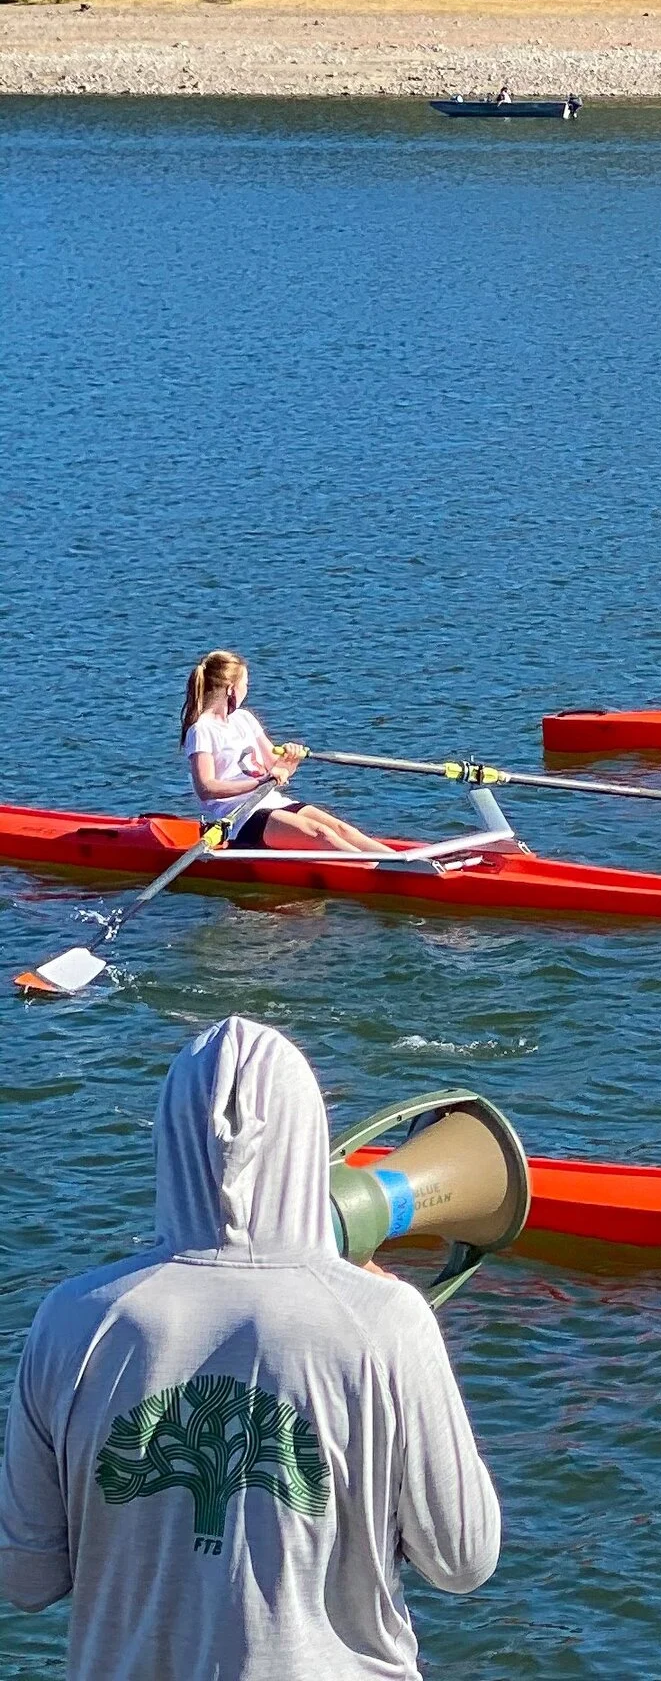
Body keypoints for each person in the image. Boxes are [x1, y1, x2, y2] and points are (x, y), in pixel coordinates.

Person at [0, 1017, 500, 1678]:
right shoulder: (386, 1323)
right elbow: (462, 1560)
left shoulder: (71, 1320)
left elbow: (26, 1578)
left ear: (170, 1139)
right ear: (309, 1138)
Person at [182, 651, 389, 854]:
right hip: (239, 818)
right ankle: (382, 875)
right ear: (230, 689)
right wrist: (260, 782)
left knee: (342, 830)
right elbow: (206, 788)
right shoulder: (201, 730)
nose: (247, 689)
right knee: (321, 834)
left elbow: (278, 769)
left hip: (272, 802)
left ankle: (406, 864)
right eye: (245, 684)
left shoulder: (244, 718)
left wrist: (291, 757)